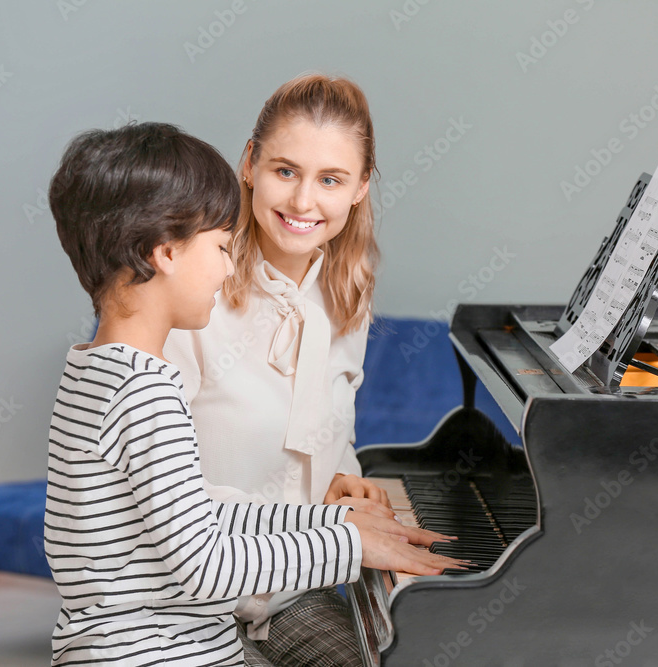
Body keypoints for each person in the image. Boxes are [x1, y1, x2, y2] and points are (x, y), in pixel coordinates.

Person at [43, 122, 461, 666]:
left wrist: (333, 522)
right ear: (166, 252)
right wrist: (350, 547)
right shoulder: (146, 396)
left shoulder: (98, 373)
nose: (226, 266)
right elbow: (205, 566)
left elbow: (196, 512)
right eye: (220, 246)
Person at [162, 74, 390, 665]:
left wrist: (342, 469)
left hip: (293, 595)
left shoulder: (348, 296)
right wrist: (340, 539)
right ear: (249, 165)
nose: (303, 202)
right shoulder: (190, 293)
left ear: (361, 188)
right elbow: (160, 490)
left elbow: (332, 423)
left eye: (331, 179)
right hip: (184, 599)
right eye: (285, 171)